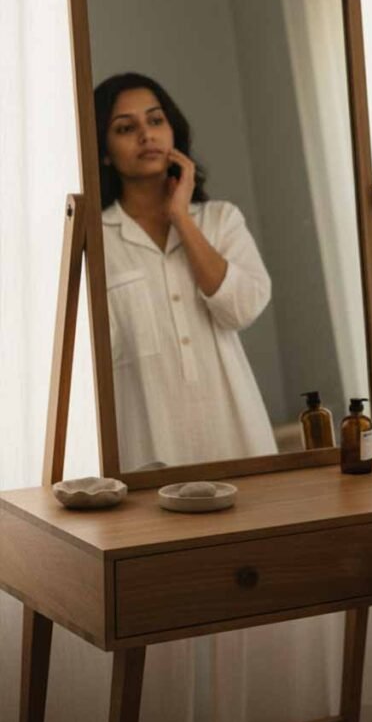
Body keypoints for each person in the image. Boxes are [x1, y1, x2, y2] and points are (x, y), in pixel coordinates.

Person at [94, 71, 278, 472]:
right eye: (126, 128)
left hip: (239, 441)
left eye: (156, 120)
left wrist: (181, 216)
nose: (146, 135)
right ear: (105, 151)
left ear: (173, 131)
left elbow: (241, 311)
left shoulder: (221, 220)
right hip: (145, 455)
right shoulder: (96, 241)